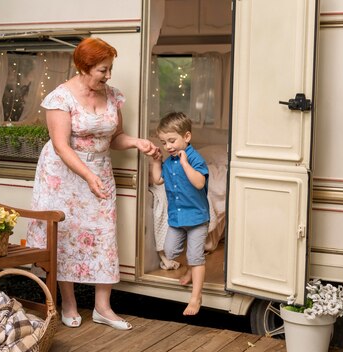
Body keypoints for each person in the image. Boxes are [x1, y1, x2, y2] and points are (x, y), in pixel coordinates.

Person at [26, 37, 160, 330]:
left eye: (110, 69)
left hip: (99, 170)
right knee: (66, 235)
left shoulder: (112, 96)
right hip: (64, 175)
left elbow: (115, 137)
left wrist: (137, 142)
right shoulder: (60, 98)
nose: (109, 75)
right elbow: (61, 146)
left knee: (103, 235)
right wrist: (88, 176)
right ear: (84, 68)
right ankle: (69, 303)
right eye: (103, 70)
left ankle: (102, 307)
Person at [149, 111, 209, 316]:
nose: (168, 147)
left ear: (187, 137)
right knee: (171, 251)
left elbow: (200, 182)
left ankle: (196, 297)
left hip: (197, 218)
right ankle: (193, 265)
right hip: (177, 218)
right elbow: (158, 180)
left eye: (172, 141)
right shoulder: (169, 161)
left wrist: (185, 163)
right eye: (164, 143)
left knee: (195, 256)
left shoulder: (194, 158)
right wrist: (156, 161)